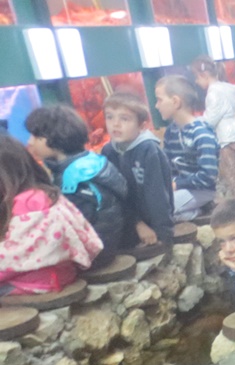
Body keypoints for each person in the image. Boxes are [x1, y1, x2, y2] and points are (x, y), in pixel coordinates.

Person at [25, 104, 128, 267]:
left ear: (55, 139)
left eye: (36, 137)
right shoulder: (87, 161)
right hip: (105, 244)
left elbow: (75, 223)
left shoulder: (75, 177)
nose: (29, 142)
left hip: (94, 254)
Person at [0, 135, 101, 295]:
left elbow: (13, 258)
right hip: (59, 274)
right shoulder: (43, 193)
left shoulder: (28, 204)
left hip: (36, 282)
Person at [100, 91, 175, 247]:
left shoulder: (148, 150)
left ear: (141, 126)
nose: (115, 124)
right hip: (128, 220)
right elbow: (113, 195)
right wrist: (136, 223)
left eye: (124, 118)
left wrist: (163, 234)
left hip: (153, 222)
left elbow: (158, 195)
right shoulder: (108, 151)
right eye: (110, 117)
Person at [154, 75, 219, 222]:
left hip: (202, 190)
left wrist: (177, 184)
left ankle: (200, 210)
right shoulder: (171, 131)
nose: (156, 106)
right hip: (179, 188)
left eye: (159, 100)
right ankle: (197, 209)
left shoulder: (202, 134)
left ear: (175, 101)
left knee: (162, 210)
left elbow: (208, 177)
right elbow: (168, 167)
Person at [191, 55, 235, 200]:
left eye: (197, 77)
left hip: (225, 134)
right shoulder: (229, 88)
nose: (197, 82)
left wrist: (197, 121)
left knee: (231, 171)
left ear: (204, 75)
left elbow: (210, 119)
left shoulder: (213, 92)